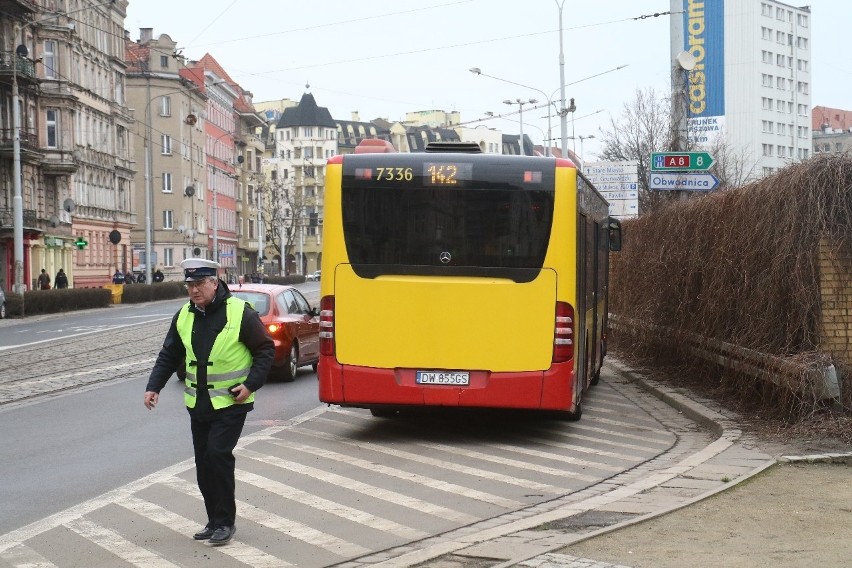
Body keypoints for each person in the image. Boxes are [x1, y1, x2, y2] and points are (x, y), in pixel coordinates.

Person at [143, 258, 274, 546]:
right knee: (203, 463)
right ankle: (214, 521)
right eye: (189, 284)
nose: (194, 290)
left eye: (200, 283)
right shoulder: (184, 315)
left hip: (231, 402)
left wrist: (251, 384)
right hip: (199, 404)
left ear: (215, 283)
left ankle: (226, 522)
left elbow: (265, 350)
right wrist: (154, 387)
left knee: (218, 455)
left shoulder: (240, 313)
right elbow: (169, 355)